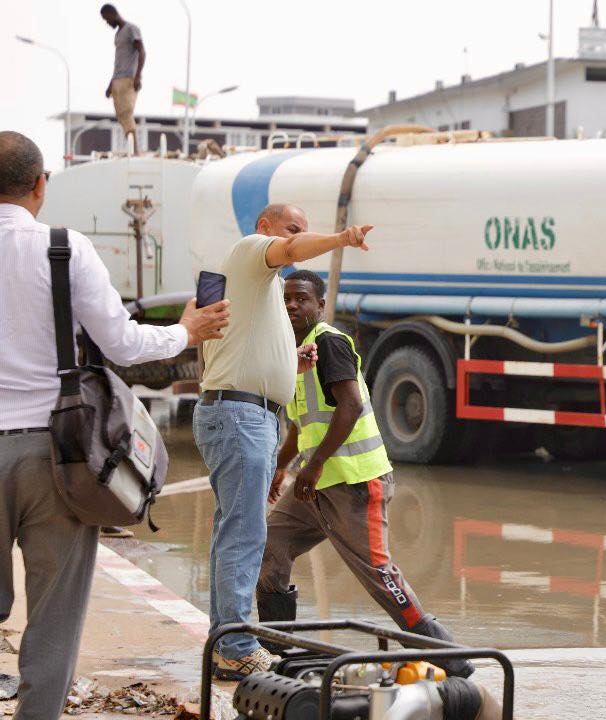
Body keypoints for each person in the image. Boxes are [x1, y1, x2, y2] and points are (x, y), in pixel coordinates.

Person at [0, 131, 230, 720]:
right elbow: (123, 345)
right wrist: (188, 332)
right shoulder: (63, 249)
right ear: (40, 185)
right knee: (52, 618)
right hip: (55, 455)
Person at [257, 271, 474, 678]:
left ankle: (446, 653)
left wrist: (314, 464)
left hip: (355, 483)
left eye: (301, 299)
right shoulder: (293, 351)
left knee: (378, 575)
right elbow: (300, 423)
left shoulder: (329, 343)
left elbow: (351, 406)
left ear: (320, 305)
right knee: (271, 544)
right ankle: (275, 645)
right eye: (286, 298)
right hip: (315, 485)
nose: (291, 305)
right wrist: (284, 466)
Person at [196, 203, 373, 680]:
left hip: (239, 412)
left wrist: (286, 365)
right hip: (240, 416)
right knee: (245, 533)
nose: (298, 239)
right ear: (265, 229)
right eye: (292, 230)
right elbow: (292, 248)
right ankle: (235, 645)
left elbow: (236, 346)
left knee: (232, 531)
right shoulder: (255, 252)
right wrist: (340, 239)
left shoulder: (259, 285)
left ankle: (224, 639)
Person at [100, 4, 145, 154]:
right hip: (117, 79)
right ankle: (131, 147)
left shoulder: (131, 29)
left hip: (128, 78)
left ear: (113, 14)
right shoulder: (118, 34)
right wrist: (110, 84)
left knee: (126, 112)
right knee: (120, 115)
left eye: (107, 19)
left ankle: (135, 150)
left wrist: (138, 75)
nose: (107, 23)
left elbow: (141, 51)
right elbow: (118, 61)